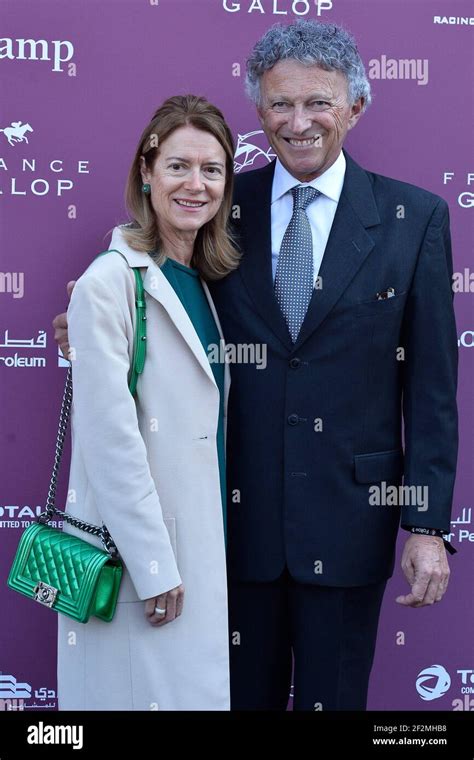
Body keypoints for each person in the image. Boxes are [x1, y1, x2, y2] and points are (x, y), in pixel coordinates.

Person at [54, 21, 458, 711]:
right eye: (279, 104)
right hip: (227, 527)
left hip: (350, 521)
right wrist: (92, 330)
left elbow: (430, 386)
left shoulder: (411, 218)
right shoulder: (216, 204)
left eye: (318, 103)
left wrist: (425, 526)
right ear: (260, 112)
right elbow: (153, 287)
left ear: (355, 107)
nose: (298, 122)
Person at [56, 94, 240, 710]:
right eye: (178, 167)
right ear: (145, 171)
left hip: (207, 549)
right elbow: (110, 443)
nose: (196, 185)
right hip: (145, 566)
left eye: (212, 170)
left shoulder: (212, 285)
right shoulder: (110, 282)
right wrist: (155, 564)